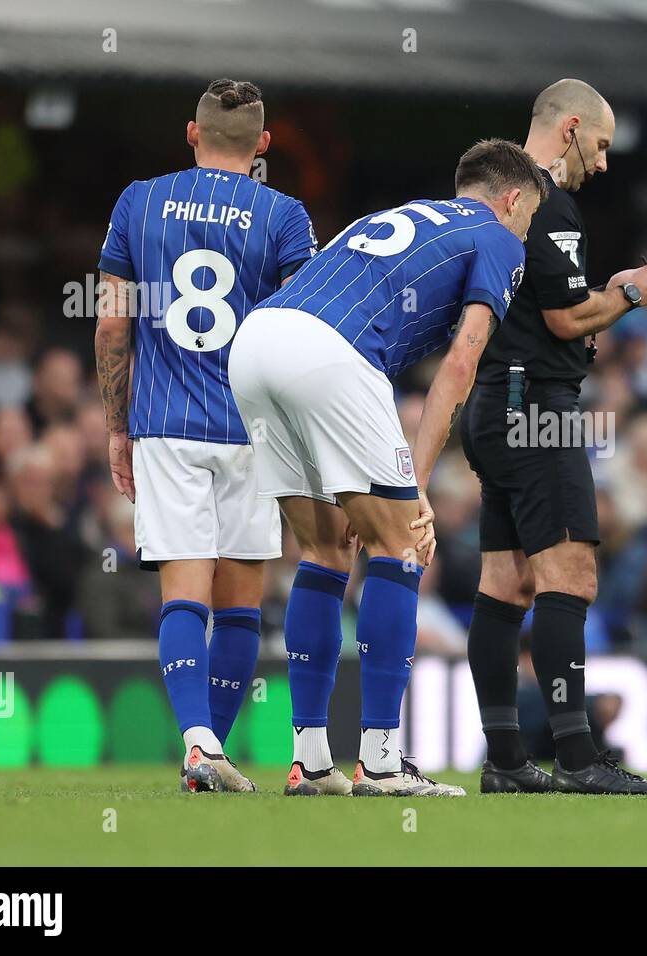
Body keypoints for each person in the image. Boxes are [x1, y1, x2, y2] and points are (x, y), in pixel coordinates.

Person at [229, 138, 547, 797]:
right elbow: (462, 363)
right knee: (401, 544)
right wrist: (417, 482)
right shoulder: (499, 238)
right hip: (332, 354)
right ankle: (379, 759)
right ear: (512, 199)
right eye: (530, 217)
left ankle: (311, 761)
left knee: (322, 550)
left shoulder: (395, 217)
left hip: (256, 341)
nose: (527, 234)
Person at [95, 79, 318, 793]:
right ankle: (208, 751)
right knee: (242, 606)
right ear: (264, 143)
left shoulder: (139, 200)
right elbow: (302, 332)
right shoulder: (284, 215)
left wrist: (114, 426)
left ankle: (198, 748)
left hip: (162, 423)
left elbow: (110, 324)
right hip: (251, 429)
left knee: (182, 594)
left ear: (191, 135)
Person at [460, 78, 647, 794]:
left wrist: (600, 294)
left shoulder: (491, 199)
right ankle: (579, 761)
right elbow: (566, 320)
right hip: (538, 410)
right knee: (568, 577)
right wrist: (631, 292)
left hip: (490, 405)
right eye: (602, 145)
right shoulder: (551, 205)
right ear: (570, 127)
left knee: (504, 584)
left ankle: (506, 761)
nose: (604, 163)